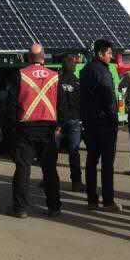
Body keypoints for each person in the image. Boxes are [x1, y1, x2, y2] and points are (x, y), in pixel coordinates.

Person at [7, 43, 62, 218]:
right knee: (49, 170)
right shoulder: (55, 76)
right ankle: (54, 207)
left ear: (29, 57)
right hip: (48, 128)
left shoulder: (20, 75)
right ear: (43, 57)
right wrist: (58, 125)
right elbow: (61, 103)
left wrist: (13, 127)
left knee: (23, 169)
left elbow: (11, 105)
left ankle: (20, 208)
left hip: (26, 128)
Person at [80, 39, 123, 212]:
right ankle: (108, 200)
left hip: (89, 122)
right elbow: (108, 97)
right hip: (104, 123)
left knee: (91, 160)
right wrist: (114, 119)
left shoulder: (85, 70)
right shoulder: (103, 72)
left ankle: (91, 199)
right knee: (107, 163)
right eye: (109, 53)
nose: (111, 56)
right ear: (100, 54)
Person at [56, 53, 83, 191]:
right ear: (73, 67)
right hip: (74, 121)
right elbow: (82, 102)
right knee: (74, 152)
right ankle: (76, 182)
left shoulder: (57, 81)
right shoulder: (77, 82)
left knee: (52, 152)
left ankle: (49, 179)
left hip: (58, 122)